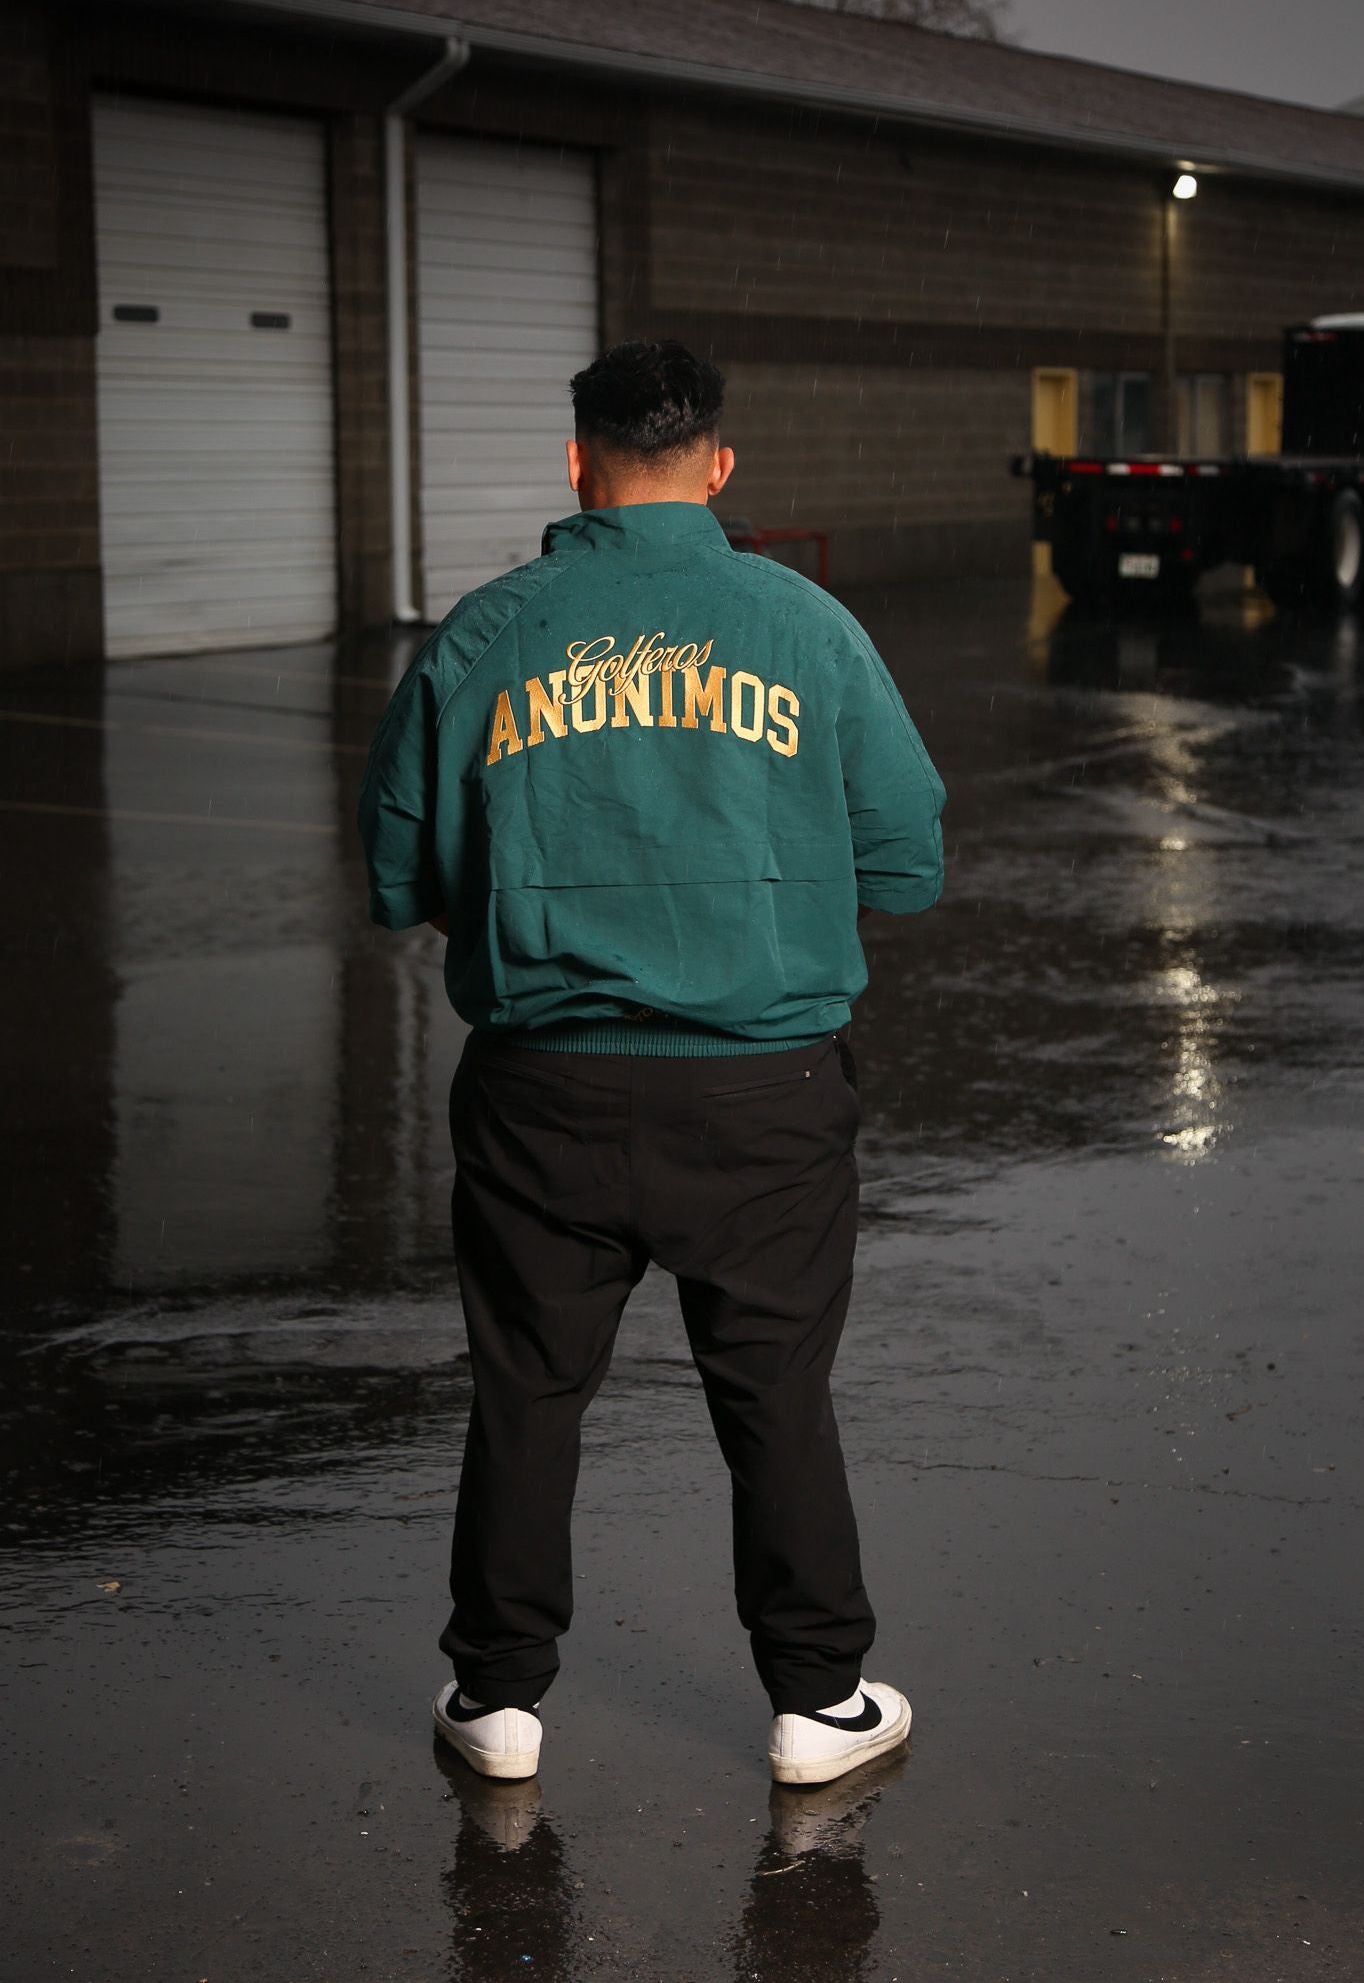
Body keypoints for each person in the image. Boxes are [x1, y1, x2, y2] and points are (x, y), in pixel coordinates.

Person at [357, 339, 945, 1786]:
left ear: (577, 461)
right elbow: (907, 854)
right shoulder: (807, 628)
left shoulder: (488, 634)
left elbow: (394, 872)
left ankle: (495, 1699)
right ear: (719, 464)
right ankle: (818, 1702)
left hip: (542, 1089)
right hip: (763, 1092)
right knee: (775, 1394)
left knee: (527, 1389)